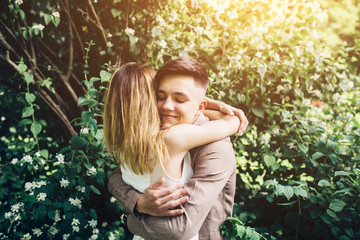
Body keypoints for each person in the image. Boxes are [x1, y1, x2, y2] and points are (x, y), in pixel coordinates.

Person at [108, 57, 249, 240]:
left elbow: (177, 229)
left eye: (180, 99)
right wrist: (139, 203)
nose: (166, 106)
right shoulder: (155, 135)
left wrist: (132, 220)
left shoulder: (215, 148)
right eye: (159, 97)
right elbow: (114, 177)